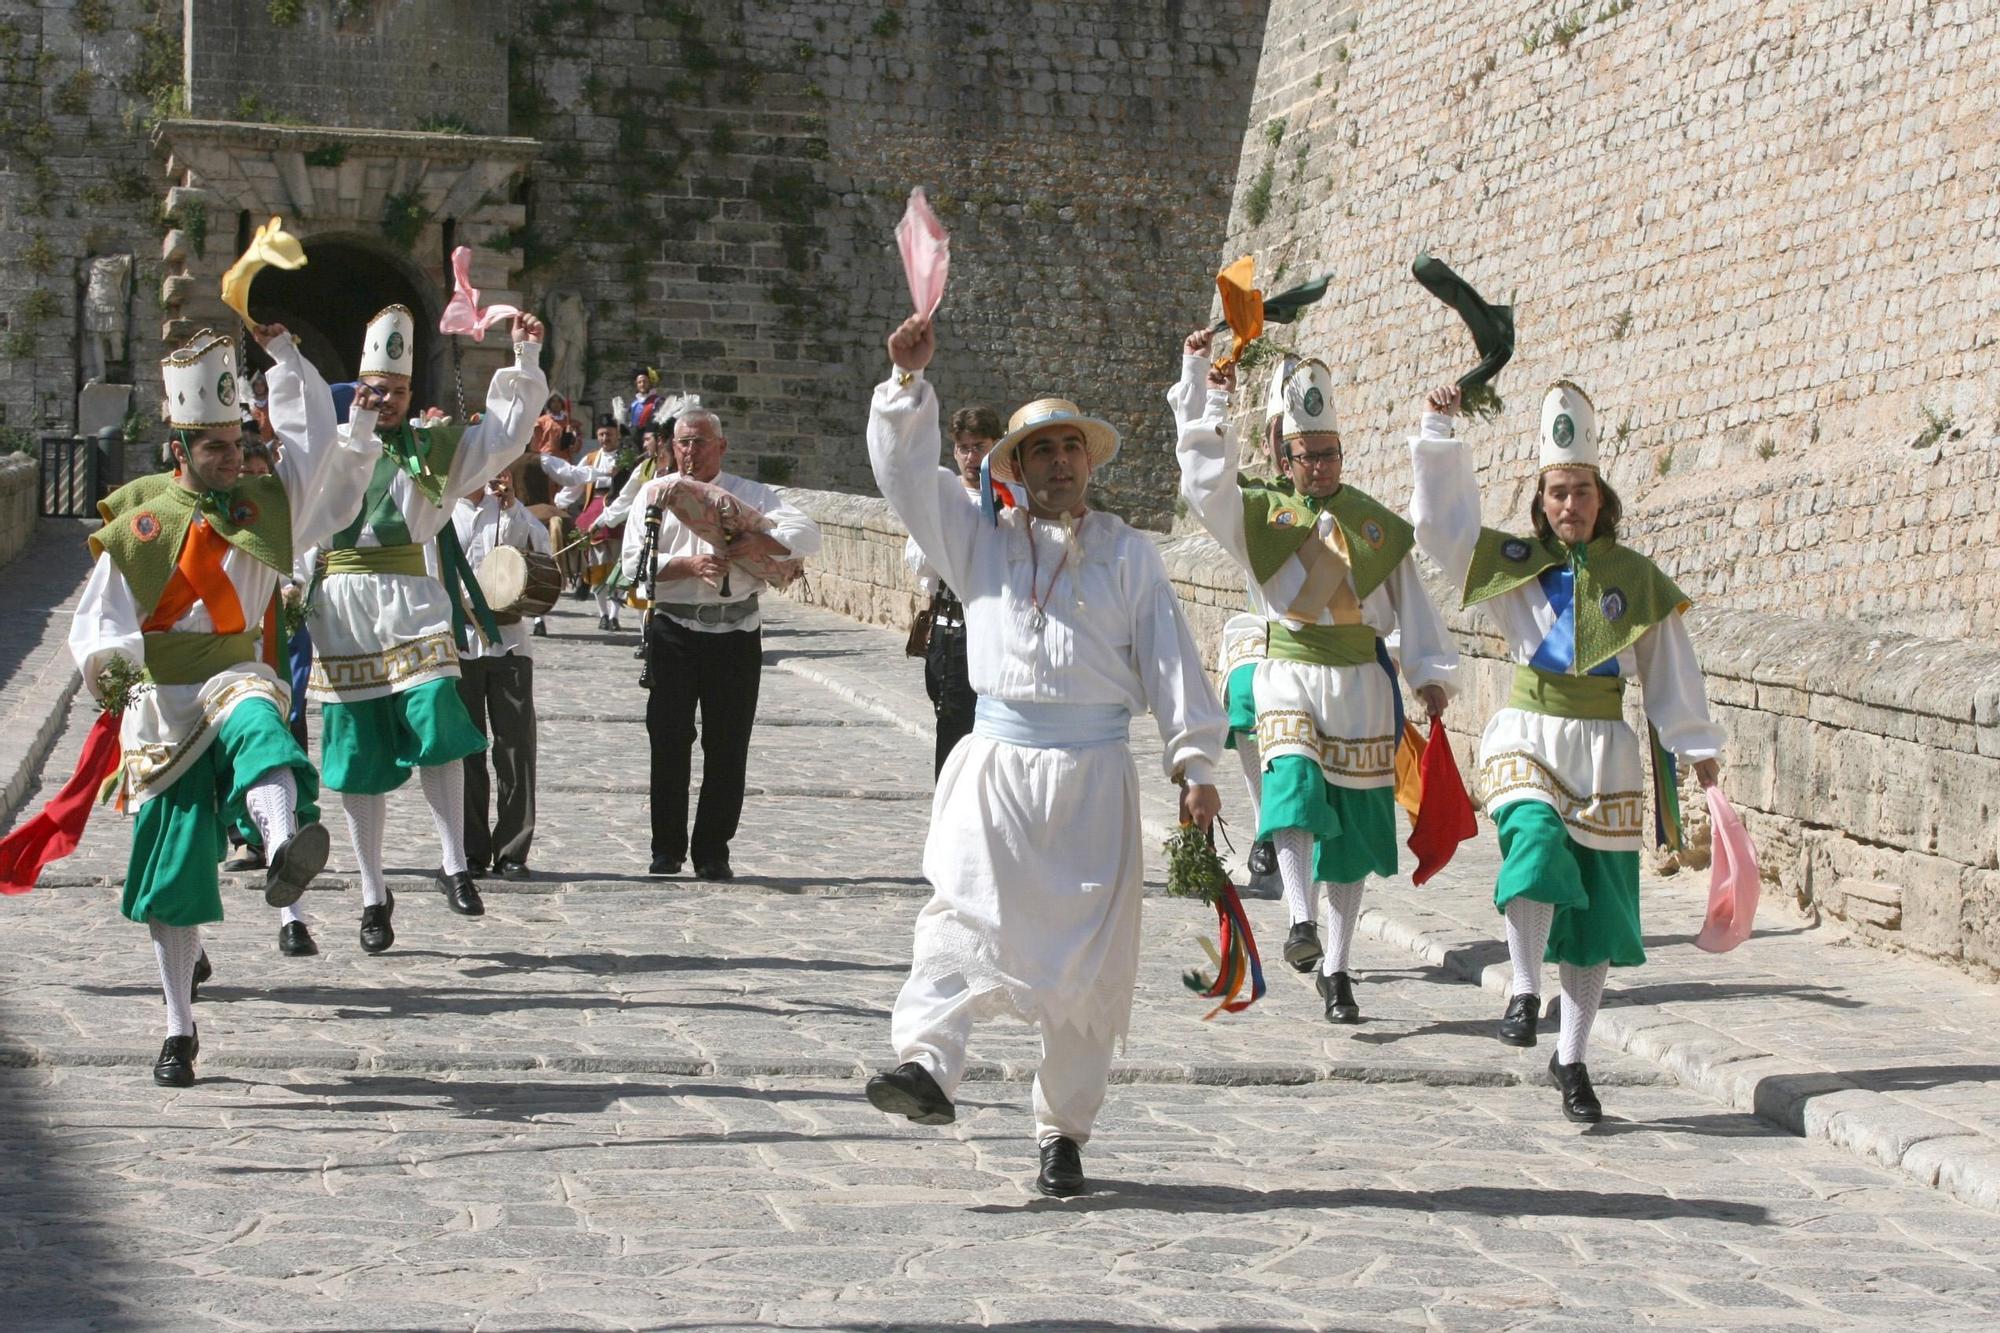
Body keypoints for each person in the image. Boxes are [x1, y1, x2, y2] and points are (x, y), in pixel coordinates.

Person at [863, 313, 1225, 1198]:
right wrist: (907, 389)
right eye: (1042, 450)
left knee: (1086, 974)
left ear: (1089, 463)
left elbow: (1171, 658)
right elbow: (908, 480)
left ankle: (1063, 1133)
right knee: (959, 915)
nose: (1060, 461)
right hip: (995, 770)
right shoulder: (977, 541)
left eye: (1073, 446)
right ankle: (927, 1064)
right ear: (1014, 469)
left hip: (1094, 780)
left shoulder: (1130, 556)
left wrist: (1195, 765)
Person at [54, 324, 376, 1084]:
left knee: (260, 716)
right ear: (181, 449)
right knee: (175, 875)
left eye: (238, 443)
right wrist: (116, 675)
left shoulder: (269, 503)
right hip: (162, 709)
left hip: (235, 676)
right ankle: (177, 1029)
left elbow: (314, 449)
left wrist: (290, 360)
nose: (235, 459)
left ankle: (279, 843)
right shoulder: (139, 521)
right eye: (217, 449)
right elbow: (99, 623)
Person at [1410, 380, 1726, 1123]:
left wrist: (1697, 748)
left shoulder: (1636, 579)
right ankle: (1523, 987)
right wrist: (1440, 428)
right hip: (1530, 734)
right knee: (1535, 848)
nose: (1569, 504)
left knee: (1596, 917)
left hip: (1606, 752)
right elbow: (1440, 528)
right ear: (1541, 498)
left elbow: (1670, 671)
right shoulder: (1512, 565)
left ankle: (1573, 1057)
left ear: (1601, 494)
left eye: (1581, 490)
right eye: (1556, 491)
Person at [1176, 341, 1459, 1026]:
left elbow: (1409, 598)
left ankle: (1335, 967)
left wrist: (1426, 675)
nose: (1324, 466)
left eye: (1333, 453)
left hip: (1360, 685)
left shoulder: (1374, 525)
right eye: (1312, 455)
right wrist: (1212, 399)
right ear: (1287, 458)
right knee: (1294, 783)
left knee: (1354, 838)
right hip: (1290, 672)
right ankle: (1299, 918)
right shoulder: (1259, 515)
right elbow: (1204, 484)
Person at [308, 303, 547, 954]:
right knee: (359, 756)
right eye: (376, 387)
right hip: (348, 607)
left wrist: (521, 360)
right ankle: (371, 892)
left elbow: (501, 438)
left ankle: (454, 863)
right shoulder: (329, 448)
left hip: (412, 599)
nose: (385, 398)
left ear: (412, 394)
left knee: (440, 716)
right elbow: (294, 517)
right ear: (360, 386)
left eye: (399, 389)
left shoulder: (434, 449)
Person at [624, 406, 821, 881]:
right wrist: (685, 567)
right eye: (682, 442)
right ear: (672, 447)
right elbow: (632, 564)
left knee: (728, 745)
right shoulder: (654, 494)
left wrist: (757, 542)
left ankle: (713, 850)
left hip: (735, 632)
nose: (690, 451)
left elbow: (806, 535)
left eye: (699, 442)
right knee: (669, 741)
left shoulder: (749, 494)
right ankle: (667, 848)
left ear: (722, 446)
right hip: (673, 628)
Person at [1167, 332, 1295, 880]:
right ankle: (1268, 824)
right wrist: (1202, 384)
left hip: (1332, 647)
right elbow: (1203, 479)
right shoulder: (1257, 505)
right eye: (1288, 448)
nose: (1300, 460)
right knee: (1243, 690)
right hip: (1271, 633)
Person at [450, 467, 551, 880]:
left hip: (508, 640)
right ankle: (470, 848)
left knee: (515, 748)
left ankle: (512, 849)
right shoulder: (441, 512)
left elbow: (542, 552)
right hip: (458, 645)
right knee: (466, 752)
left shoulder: (509, 511)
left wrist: (516, 508)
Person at [901, 403, 1001, 776]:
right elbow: (921, 565)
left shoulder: (1012, 500)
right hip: (954, 629)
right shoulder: (943, 499)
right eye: (964, 447)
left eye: (980, 446)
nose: (971, 457)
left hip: (998, 630)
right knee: (954, 729)